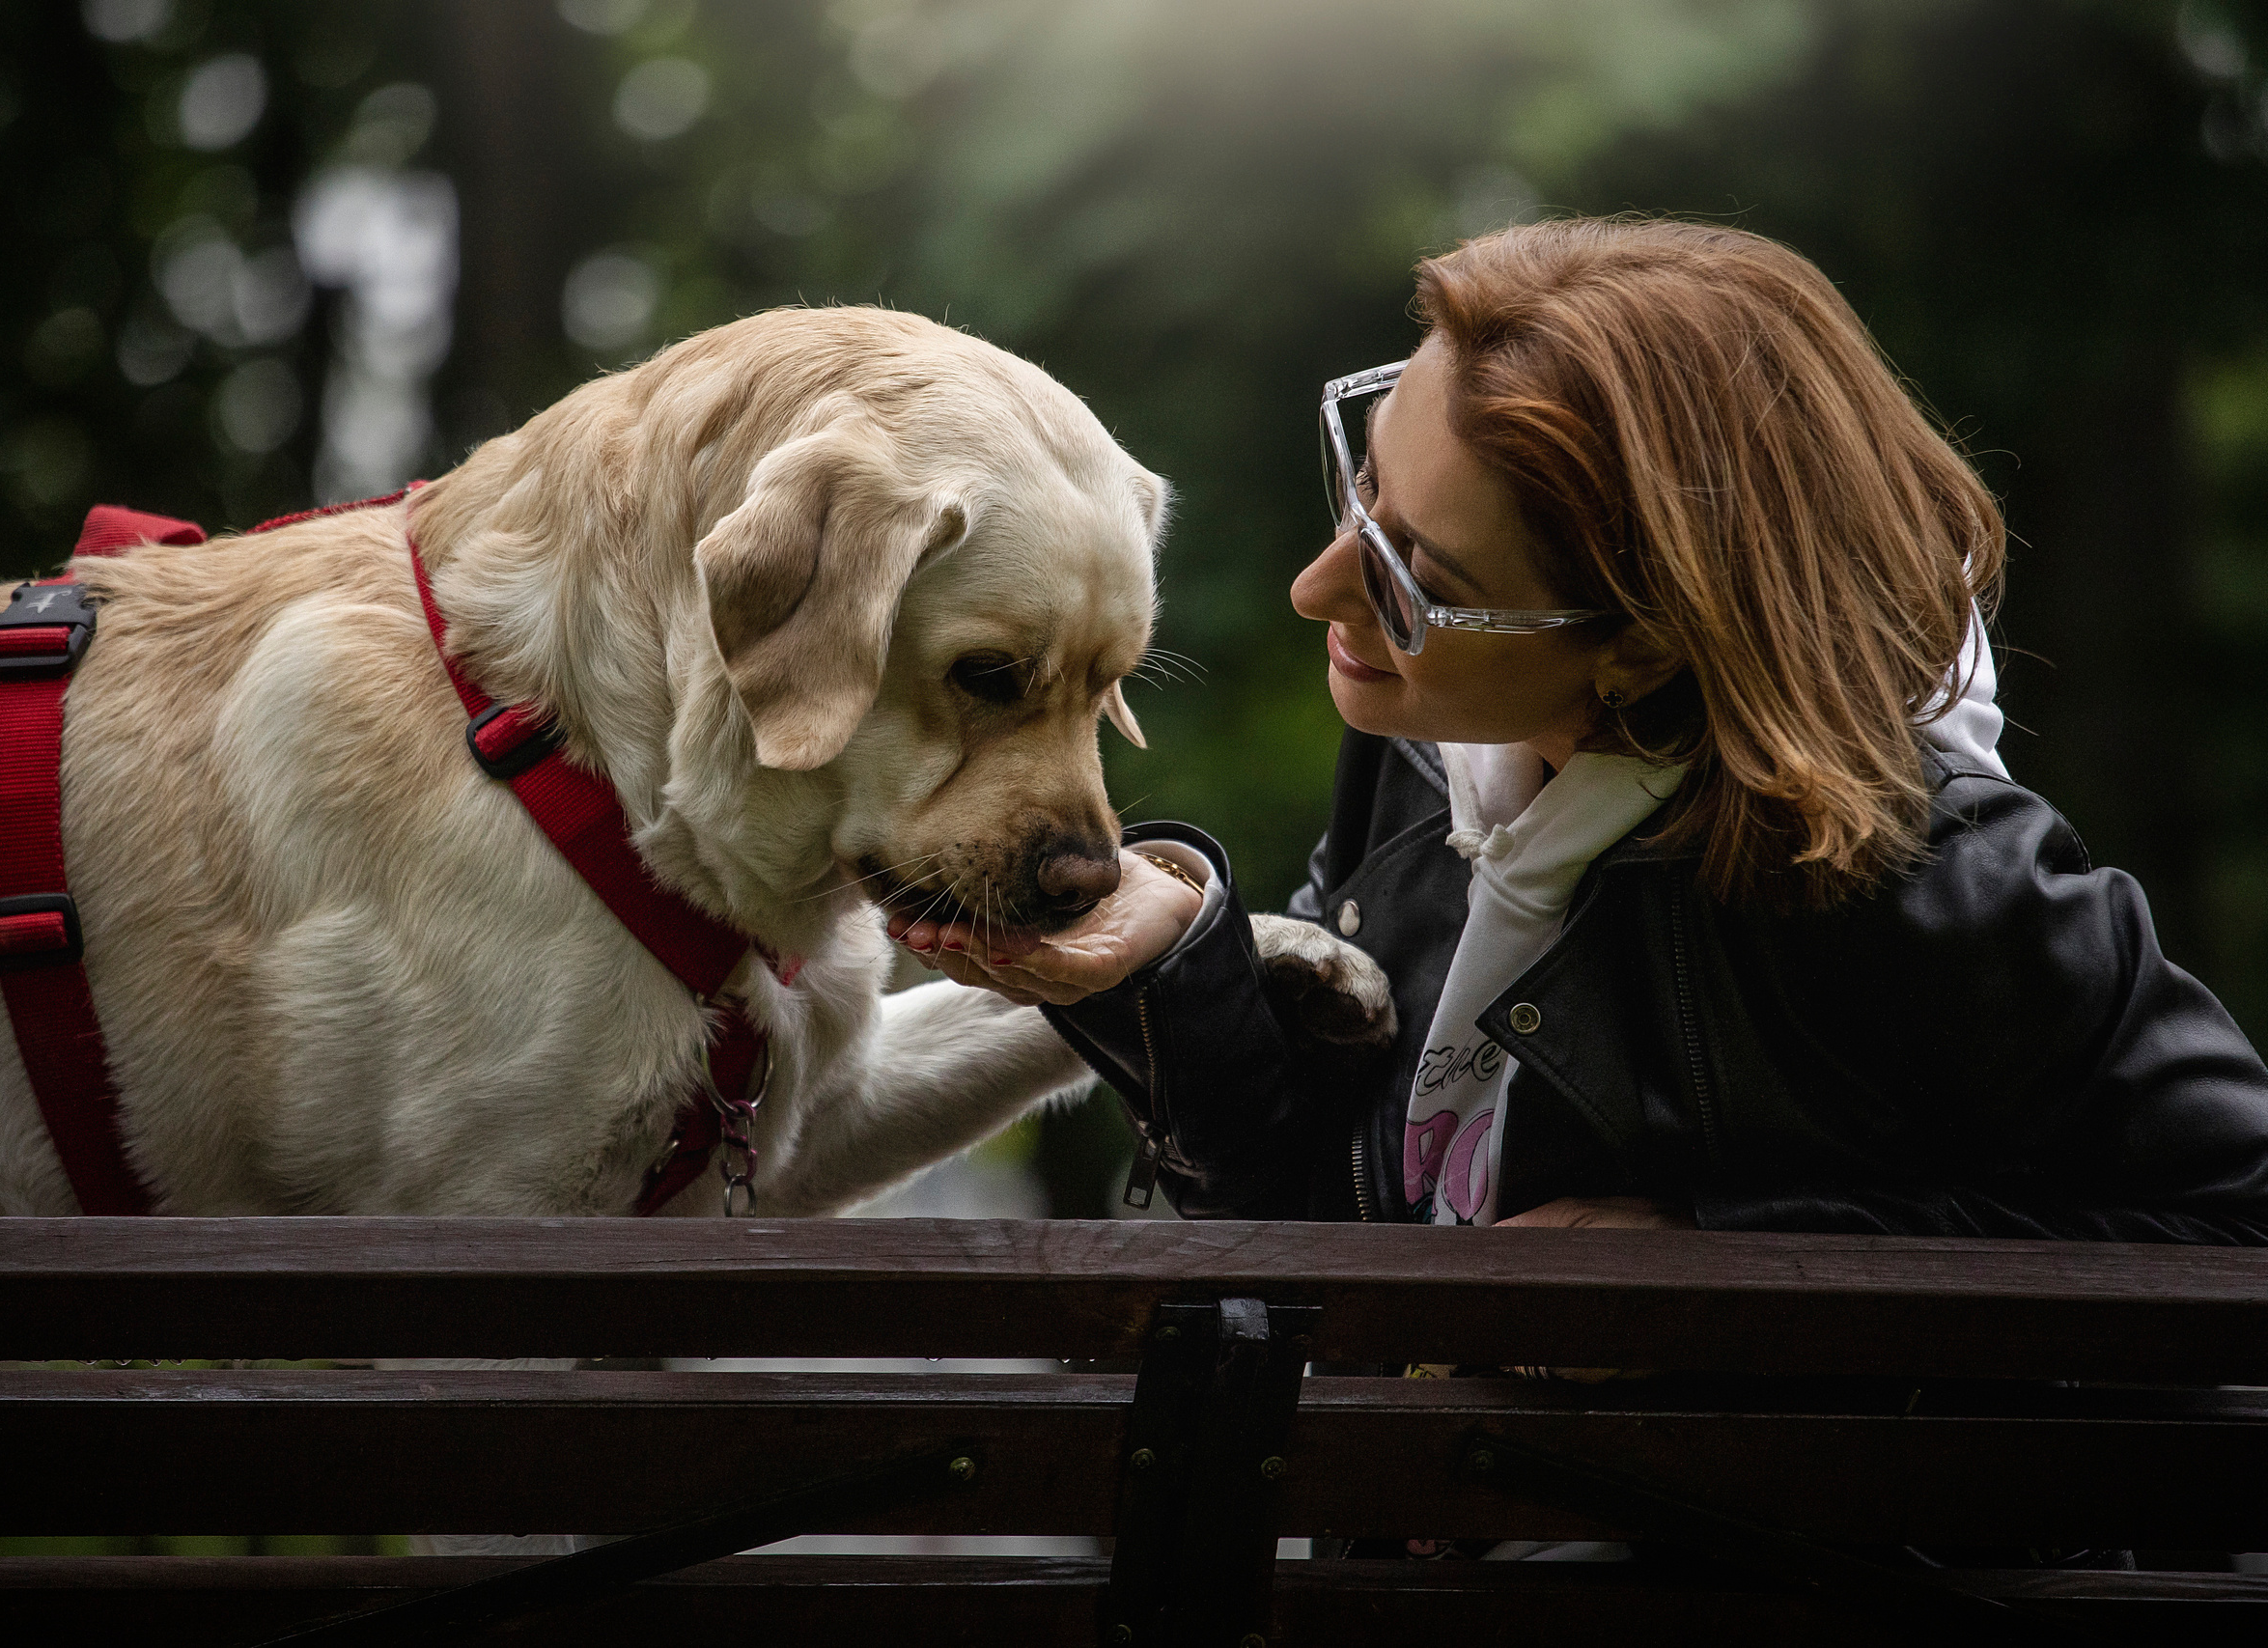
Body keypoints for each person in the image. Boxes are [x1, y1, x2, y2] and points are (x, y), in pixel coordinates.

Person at [899, 215, 2268, 1244]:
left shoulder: (1935, 879)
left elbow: (2231, 1226)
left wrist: (1720, 1281)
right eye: (1360, 487)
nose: (1318, 587)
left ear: (1648, 640)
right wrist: (1167, 967)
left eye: (1420, 580)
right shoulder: (1421, 750)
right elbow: (1326, 1218)